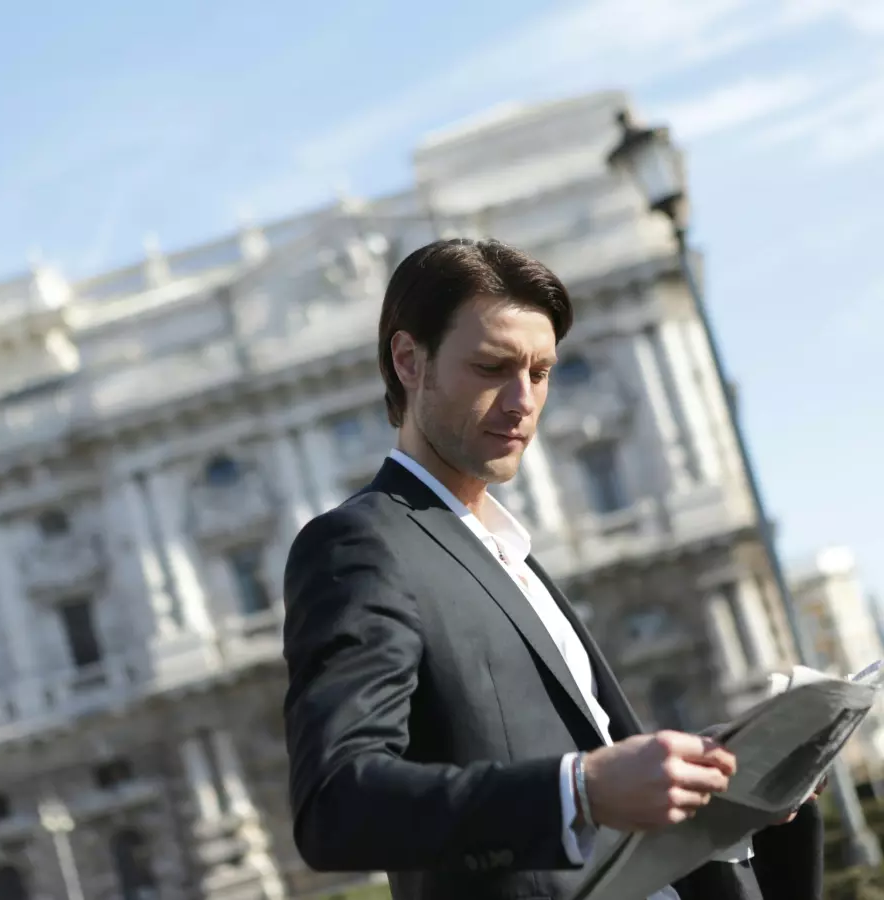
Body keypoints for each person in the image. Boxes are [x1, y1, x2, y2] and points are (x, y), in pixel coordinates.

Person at [280, 239, 823, 900]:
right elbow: (336, 804)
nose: (523, 400)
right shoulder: (361, 545)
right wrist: (580, 789)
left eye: (541, 372)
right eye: (492, 367)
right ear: (408, 361)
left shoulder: (511, 554)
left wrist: (724, 783)